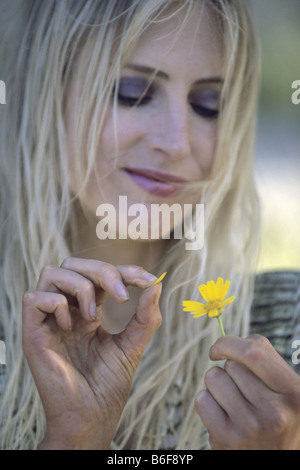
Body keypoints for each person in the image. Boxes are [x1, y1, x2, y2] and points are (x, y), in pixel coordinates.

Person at [0, 0, 299, 450]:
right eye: (134, 92)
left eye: (208, 105)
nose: (177, 142)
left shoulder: (288, 330)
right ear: (46, 94)